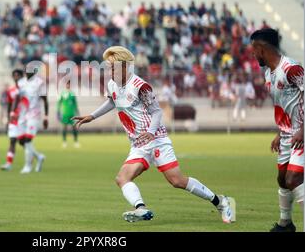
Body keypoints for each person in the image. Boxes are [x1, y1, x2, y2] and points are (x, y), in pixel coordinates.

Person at [73, 46, 235, 223]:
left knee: (177, 181)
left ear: (125, 67)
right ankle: (141, 209)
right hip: (139, 144)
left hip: (157, 139)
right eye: (108, 67)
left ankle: (221, 202)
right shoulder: (112, 84)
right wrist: (92, 116)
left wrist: (150, 132)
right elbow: (112, 101)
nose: (109, 71)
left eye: (113, 67)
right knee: (122, 178)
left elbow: (157, 112)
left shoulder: (141, 86)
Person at [250, 28, 304, 232]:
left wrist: (302, 130)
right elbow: (286, 105)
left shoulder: (292, 68)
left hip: (301, 133)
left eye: (253, 51)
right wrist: (280, 132)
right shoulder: (268, 74)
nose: (253, 55)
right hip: (287, 133)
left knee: (293, 179)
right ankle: (286, 224)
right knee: (282, 178)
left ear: (261, 49)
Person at [11, 69, 48, 174]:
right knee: (22, 141)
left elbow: (45, 99)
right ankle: (39, 157)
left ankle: (28, 166)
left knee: (28, 140)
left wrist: (46, 116)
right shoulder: (21, 83)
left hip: (34, 115)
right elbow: (17, 98)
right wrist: (13, 113)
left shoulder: (39, 83)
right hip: (22, 115)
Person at [0, 69, 26, 171]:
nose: (16, 77)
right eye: (14, 75)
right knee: (12, 140)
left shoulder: (25, 89)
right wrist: (8, 119)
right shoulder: (10, 91)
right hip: (13, 119)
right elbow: (10, 106)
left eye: (18, 75)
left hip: (23, 118)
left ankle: (35, 156)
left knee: (23, 142)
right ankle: (8, 163)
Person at [57, 81, 80, 148]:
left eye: (69, 84)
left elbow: (75, 103)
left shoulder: (72, 93)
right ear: (65, 85)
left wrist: (77, 111)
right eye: (67, 84)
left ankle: (76, 141)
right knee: (64, 127)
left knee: (74, 127)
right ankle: (64, 141)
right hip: (65, 113)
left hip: (72, 113)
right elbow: (59, 103)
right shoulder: (62, 93)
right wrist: (58, 111)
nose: (68, 85)